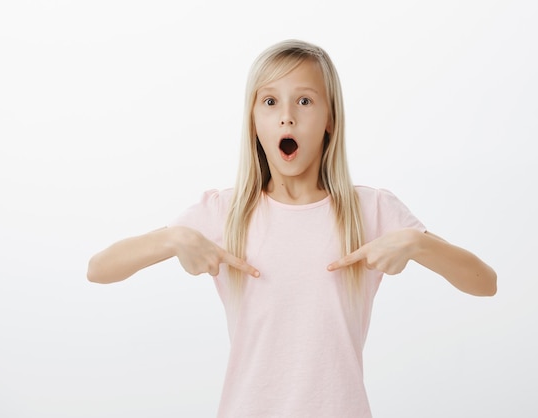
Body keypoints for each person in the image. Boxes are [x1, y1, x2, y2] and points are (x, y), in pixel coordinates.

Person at [87, 39, 497, 418]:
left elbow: (485, 283)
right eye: (270, 102)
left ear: (330, 119)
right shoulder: (226, 212)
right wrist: (172, 239)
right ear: (253, 122)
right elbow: (99, 269)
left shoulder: (371, 209)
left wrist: (416, 245)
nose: (287, 116)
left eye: (304, 101)